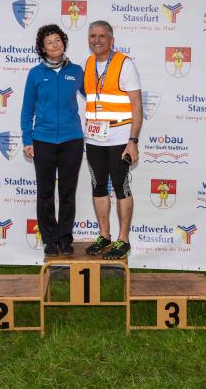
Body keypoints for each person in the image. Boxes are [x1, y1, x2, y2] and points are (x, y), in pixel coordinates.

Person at [20, 24, 85, 257]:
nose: (55, 45)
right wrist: (27, 139)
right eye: (49, 42)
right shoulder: (35, 74)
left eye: (58, 40)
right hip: (43, 140)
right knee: (45, 192)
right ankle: (49, 239)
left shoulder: (77, 71)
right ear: (43, 48)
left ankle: (65, 238)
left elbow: (94, 96)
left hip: (72, 139)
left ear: (64, 43)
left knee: (67, 191)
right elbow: (27, 110)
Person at [83, 20, 143, 260]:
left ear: (111, 39)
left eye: (102, 36)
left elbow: (137, 105)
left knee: (121, 187)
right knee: (98, 186)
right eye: (92, 36)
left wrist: (133, 141)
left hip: (120, 137)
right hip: (94, 138)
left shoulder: (124, 64)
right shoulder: (88, 63)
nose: (96, 40)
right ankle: (104, 236)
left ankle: (123, 240)